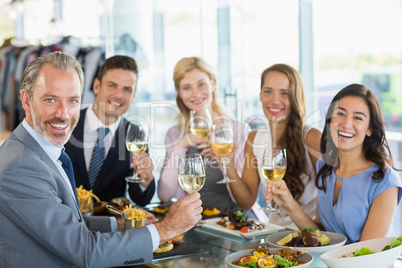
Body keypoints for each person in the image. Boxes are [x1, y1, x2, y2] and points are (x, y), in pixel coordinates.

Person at [0, 51, 202, 266]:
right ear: (26, 100)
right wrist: (166, 229)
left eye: (72, 101)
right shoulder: (23, 165)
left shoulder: (41, 147)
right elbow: (84, 249)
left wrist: (123, 224)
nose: (63, 113)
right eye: (50, 99)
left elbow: (69, 222)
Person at [269, 83, 402, 243]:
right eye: (340, 113)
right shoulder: (324, 167)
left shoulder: (385, 181)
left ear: (370, 129)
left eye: (358, 118)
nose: (346, 124)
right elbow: (323, 236)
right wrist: (289, 203)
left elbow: (367, 254)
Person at [226, 63, 322, 229]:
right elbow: (246, 202)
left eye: (284, 93)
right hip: (274, 237)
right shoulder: (254, 138)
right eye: (268, 91)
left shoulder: (313, 138)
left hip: (310, 237)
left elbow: (330, 210)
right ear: (260, 95)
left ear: (295, 98)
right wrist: (229, 163)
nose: (274, 100)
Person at [157, 56, 250, 213]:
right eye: (187, 87)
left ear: (212, 83)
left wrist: (224, 161)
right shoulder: (175, 134)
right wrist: (182, 144)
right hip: (193, 222)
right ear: (178, 92)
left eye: (201, 84)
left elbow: (244, 200)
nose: (196, 93)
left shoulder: (239, 130)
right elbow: (164, 196)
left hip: (233, 221)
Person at [65, 55, 155, 206]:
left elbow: (140, 199)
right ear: (96, 86)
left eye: (127, 89)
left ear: (133, 95)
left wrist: (145, 180)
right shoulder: (67, 122)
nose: (119, 95)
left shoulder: (134, 133)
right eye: (112, 85)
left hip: (110, 226)